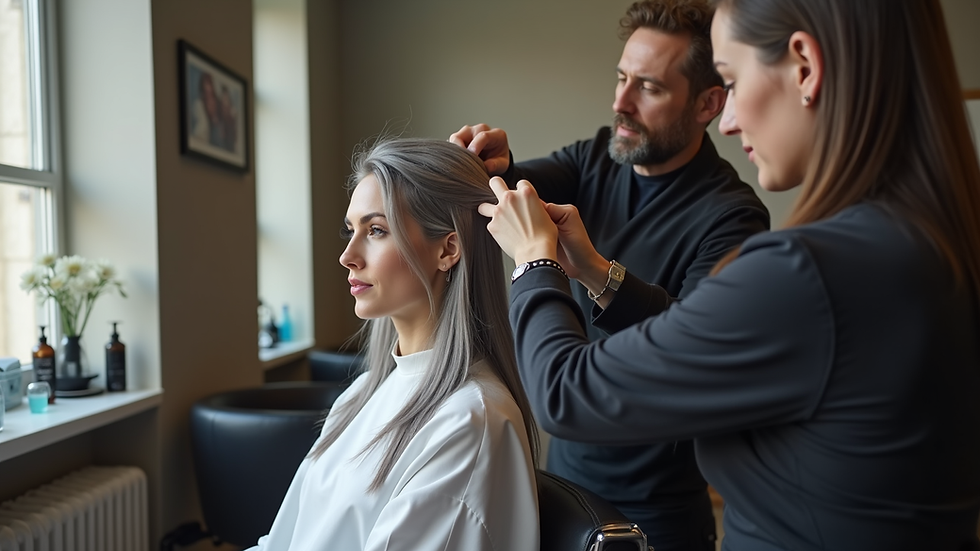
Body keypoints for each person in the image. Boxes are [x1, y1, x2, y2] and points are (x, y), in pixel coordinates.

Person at [477, 0, 980, 548]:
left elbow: (564, 392)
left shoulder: (800, 269)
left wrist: (536, 261)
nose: (733, 120)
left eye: (734, 82)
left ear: (805, 68)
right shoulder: (932, 245)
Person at [450, 1, 768, 548]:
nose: (620, 102)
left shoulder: (733, 216)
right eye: (621, 78)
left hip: (659, 512)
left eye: (648, 87)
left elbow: (693, 342)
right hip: (559, 487)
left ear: (708, 103)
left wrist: (597, 273)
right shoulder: (595, 157)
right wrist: (495, 166)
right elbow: (520, 186)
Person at [247, 138, 540, 551]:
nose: (348, 256)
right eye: (352, 230)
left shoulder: (468, 423)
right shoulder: (361, 395)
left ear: (448, 248)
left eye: (377, 230)